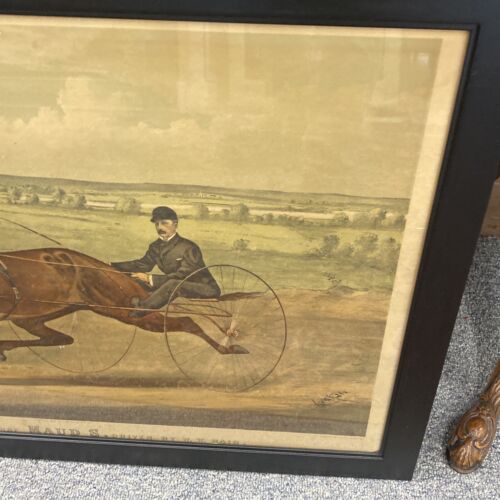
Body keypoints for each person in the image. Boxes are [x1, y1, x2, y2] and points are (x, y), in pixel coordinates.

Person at [111, 206, 220, 317]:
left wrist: (150, 279)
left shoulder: (188, 247)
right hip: (173, 283)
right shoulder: (155, 246)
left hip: (203, 288)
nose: (160, 227)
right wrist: (112, 266)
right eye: (157, 224)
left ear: (175, 225)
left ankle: (141, 309)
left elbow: (183, 275)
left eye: (164, 223)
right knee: (136, 279)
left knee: (172, 284)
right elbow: (143, 265)